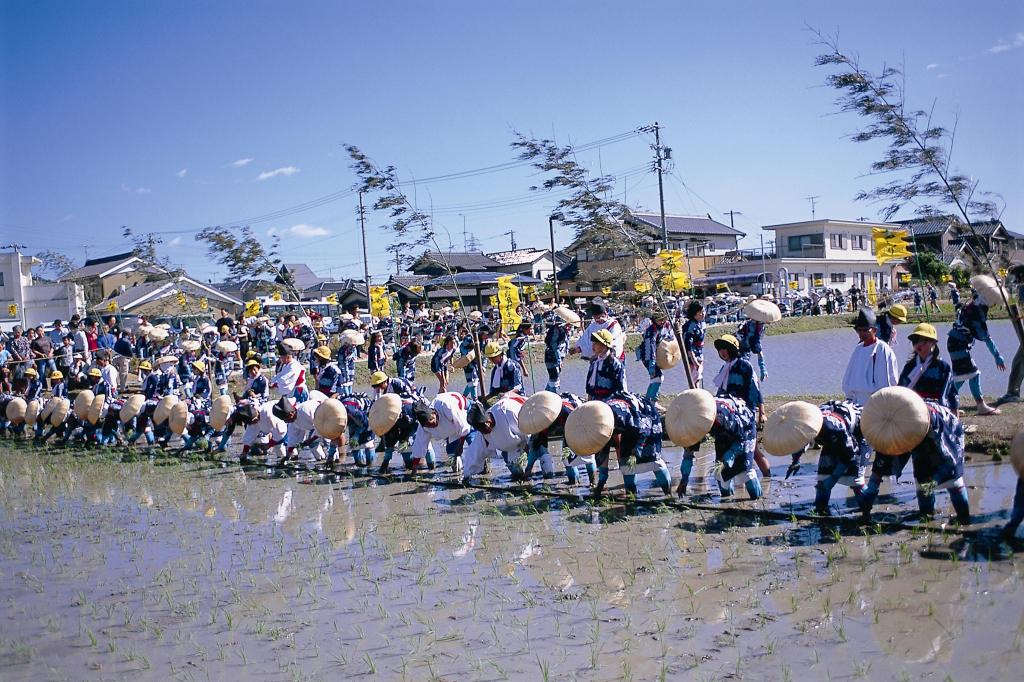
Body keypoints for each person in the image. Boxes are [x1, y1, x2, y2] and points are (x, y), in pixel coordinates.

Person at [861, 389, 970, 524]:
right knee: (922, 479)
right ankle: (927, 516)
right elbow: (880, 465)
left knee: (953, 480)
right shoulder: (885, 429)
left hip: (943, 430)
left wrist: (931, 484)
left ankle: (964, 518)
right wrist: (869, 495)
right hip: (914, 432)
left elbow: (949, 465)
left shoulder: (933, 428)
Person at [779, 401, 869, 515]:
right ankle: (821, 513)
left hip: (860, 430)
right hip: (831, 435)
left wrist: (833, 478)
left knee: (855, 479)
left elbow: (850, 456)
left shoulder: (834, 428)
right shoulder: (804, 424)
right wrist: (795, 461)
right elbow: (801, 441)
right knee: (822, 480)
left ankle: (869, 513)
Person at [674, 391, 762, 500]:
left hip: (744, 428)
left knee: (744, 468)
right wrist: (684, 479)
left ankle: (757, 500)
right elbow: (688, 454)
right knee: (722, 474)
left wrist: (731, 455)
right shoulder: (691, 425)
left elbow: (741, 439)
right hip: (721, 432)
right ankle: (727, 501)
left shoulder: (722, 415)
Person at [711, 333, 769, 476]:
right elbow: (721, 393)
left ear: (732, 349)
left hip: (746, 413)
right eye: (720, 349)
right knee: (745, 449)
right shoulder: (724, 369)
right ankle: (745, 481)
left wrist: (762, 412)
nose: (722, 352)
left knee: (752, 449)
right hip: (731, 413)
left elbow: (756, 389)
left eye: (725, 348)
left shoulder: (744, 366)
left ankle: (768, 478)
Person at [947, 292, 1005, 415]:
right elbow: (986, 337)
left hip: (955, 342)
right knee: (973, 374)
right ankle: (981, 406)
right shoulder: (977, 312)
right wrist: (997, 355)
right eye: (994, 301)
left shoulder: (972, 305)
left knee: (960, 377)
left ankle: (947, 404)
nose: (994, 304)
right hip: (958, 344)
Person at [462, 394, 530, 484]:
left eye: (483, 429)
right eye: (480, 430)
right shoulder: (482, 432)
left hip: (529, 426)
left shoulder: (508, 413)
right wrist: (467, 476)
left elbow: (529, 435)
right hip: (511, 446)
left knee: (542, 457)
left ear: (488, 422)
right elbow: (474, 452)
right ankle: (520, 476)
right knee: (517, 474)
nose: (483, 433)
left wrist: (530, 464)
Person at [841, 308, 899, 407]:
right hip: (857, 402)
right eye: (859, 330)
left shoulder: (882, 349)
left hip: (876, 402)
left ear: (874, 330)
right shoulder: (858, 349)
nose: (862, 334)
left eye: (865, 330)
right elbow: (849, 376)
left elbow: (888, 381)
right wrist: (850, 398)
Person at [898, 323, 958, 409]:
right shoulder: (910, 366)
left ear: (933, 342)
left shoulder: (942, 367)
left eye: (923, 340)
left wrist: (954, 418)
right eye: (915, 340)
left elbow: (951, 394)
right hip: (912, 408)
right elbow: (901, 389)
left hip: (937, 410)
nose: (918, 344)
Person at [638, 310, 673, 400]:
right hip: (647, 355)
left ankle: (649, 399)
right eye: (659, 320)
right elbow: (649, 347)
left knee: (656, 378)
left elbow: (670, 336)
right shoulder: (651, 331)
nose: (661, 322)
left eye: (663, 320)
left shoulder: (666, 325)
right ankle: (651, 400)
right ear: (654, 320)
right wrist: (651, 363)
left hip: (658, 354)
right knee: (657, 377)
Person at [585, 329, 624, 400]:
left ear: (604, 345)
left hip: (610, 401)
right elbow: (589, 386)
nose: (593, 346)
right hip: (595, 400)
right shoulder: (594, 363)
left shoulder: (615, 364)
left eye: (595, 343)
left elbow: (619, 387)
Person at [543, 309, 573, 392]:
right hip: (551, 356)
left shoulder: (566, 331)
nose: (570, 327)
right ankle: (553, 395)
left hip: (560, 356)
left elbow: (566, 343)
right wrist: (559, 360)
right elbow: (554, 346)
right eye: (569, 325)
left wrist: (566, 353)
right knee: (554, 377)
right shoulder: (557, 330)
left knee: (555, 377)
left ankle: (547, 393)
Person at [680, 300, 706, 388]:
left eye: (703, 311)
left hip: (699, 354)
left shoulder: (699, 323)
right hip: (692, 357)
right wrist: (695, 361)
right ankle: (695, 398)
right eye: (700, 312)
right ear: (694, 313)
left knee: (697, 379)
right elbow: (688, 346)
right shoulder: (690, 326)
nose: (703, 314)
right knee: (694, 380)